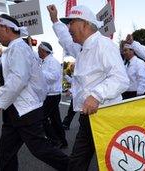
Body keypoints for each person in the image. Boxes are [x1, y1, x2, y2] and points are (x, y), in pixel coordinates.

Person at [0, 14, 69, 171]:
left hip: (25, 111)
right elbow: (6, 68)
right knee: (6, 153)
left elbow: (18, 78)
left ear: (6, 28)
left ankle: (74, 167)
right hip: (15, 111)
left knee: (41, 150)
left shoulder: (19, 48)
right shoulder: (14, 48)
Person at [47, 4, 129, 170]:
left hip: (107, 116)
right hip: (88, 118)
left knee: (116, 162)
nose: (68, 27)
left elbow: (121, 78)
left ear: (84, 24)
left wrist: (96, 95)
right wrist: (55, 21)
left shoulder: (104, 45)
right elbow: (66, 39)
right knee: (77, 163)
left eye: (71, 22)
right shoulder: (82, 48)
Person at [38, 41, 67, 148]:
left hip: (52, 95)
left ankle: (55, 140)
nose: (37, 52)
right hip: (49, 95)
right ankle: (62, 141)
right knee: (55, 119)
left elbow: (53, 77)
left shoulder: (52, 62)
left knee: (42, 118)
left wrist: (39, 73)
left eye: (38, 50)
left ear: (43, 50)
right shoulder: (44, 62)